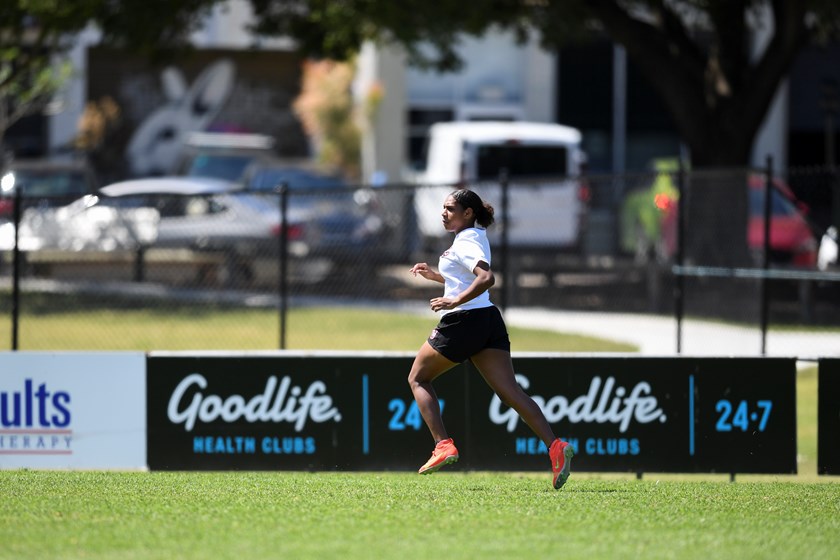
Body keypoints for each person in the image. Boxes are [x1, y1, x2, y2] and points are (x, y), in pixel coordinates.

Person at [407, 188, 574, 489]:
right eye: (443, 208)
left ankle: (443, 445)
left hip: (464, 321)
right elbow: (469, 275)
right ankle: (556, 447)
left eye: (449, 208)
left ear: (468, 213)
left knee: (418, 378)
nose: (443, 213)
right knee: (511, 392)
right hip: (488, 320)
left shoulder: (466, 240)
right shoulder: (474, 235)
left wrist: (454, 300)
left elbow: (486, 278)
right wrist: (437, 277)